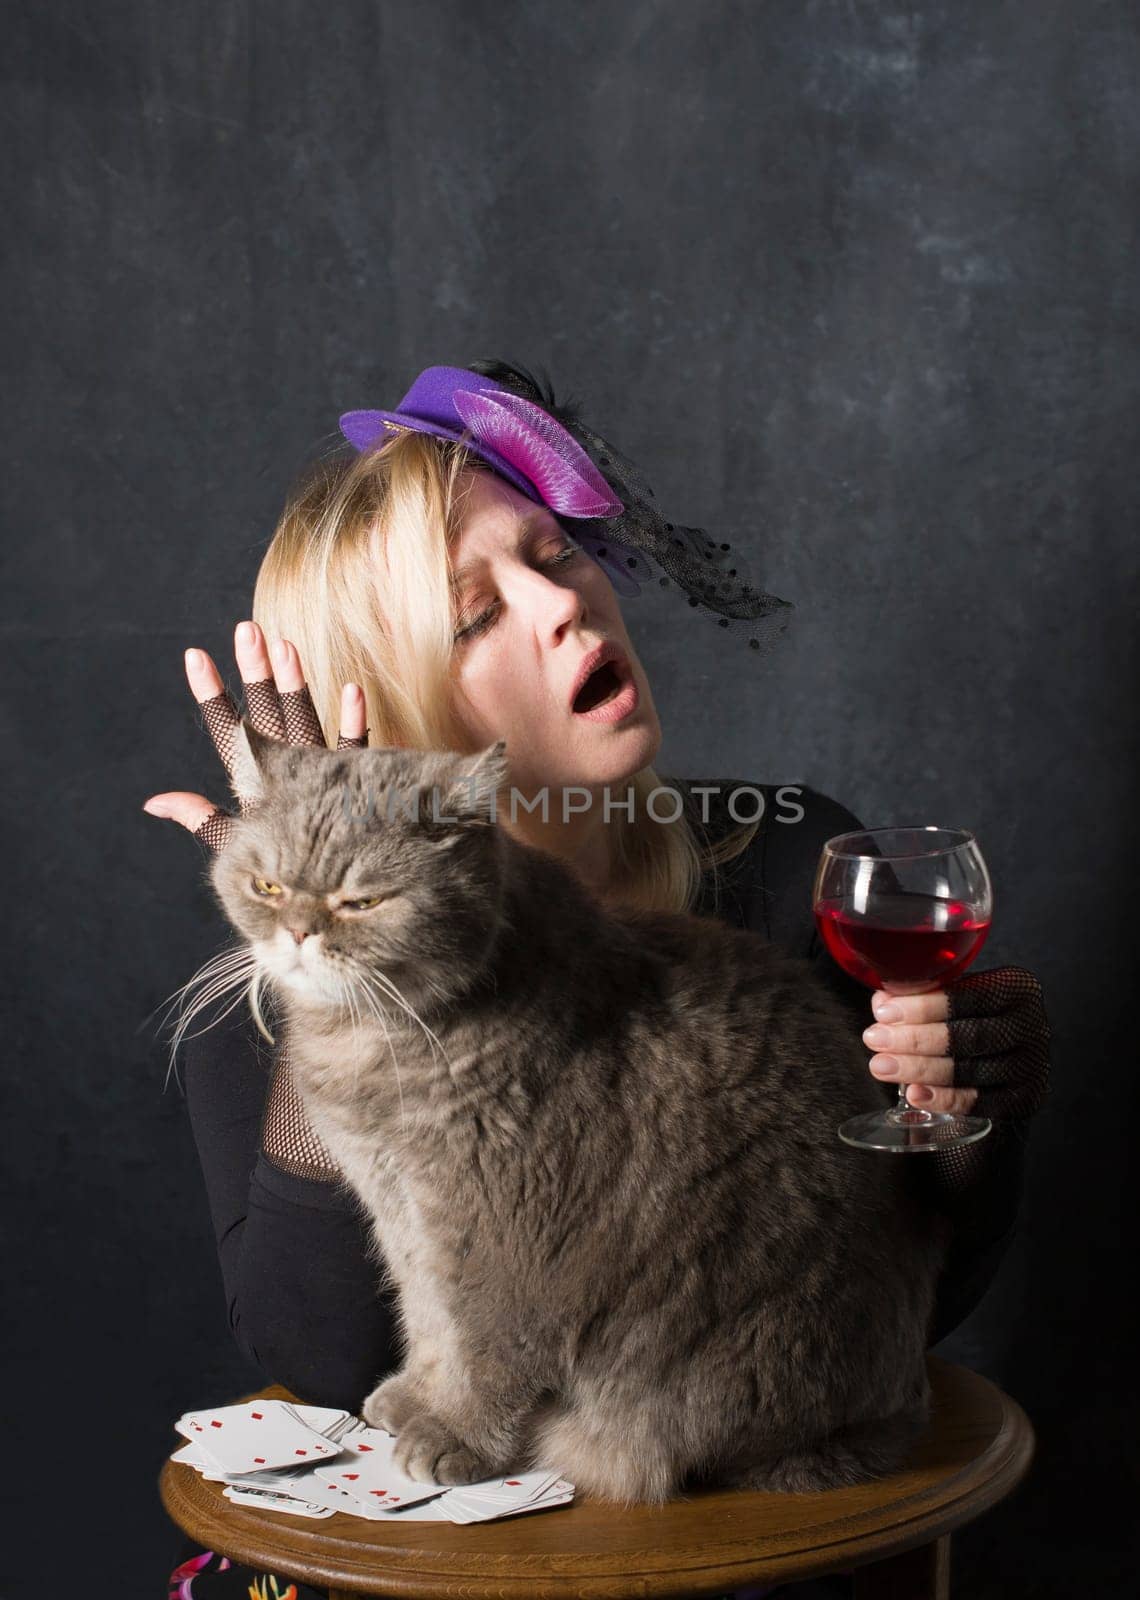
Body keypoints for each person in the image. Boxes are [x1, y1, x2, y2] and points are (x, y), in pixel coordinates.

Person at [146, 362, 1050, 1600]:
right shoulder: (268, 1000)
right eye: (474, 615)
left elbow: (888, 1318)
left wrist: (962, 1140)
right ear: (387, 707)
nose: (566, 603)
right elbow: (324, 1356)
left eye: (555, 552)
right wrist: (328, 949)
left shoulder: (787, 863)